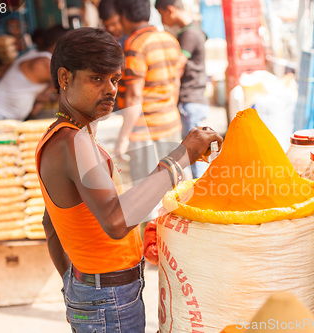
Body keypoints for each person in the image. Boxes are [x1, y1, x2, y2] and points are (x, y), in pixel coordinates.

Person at [36, 27, 222, 332]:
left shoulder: (59, 138)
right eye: (96, 78)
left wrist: (74, 281)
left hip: (95, 292)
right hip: (108, 299)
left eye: (114, 80)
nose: (110, 89)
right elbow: (116, 221)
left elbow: (50, 221)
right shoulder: (74, 143)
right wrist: (182, 156)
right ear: (64, 78)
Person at [114, 0, 183, 189]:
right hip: (171, 124)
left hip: (146, 131)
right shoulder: (169, 39)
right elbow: (176, 83)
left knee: (147, 195)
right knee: (172, 189)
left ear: (124, 17)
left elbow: (134, 94)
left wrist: (123, 138)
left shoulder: (136, 45)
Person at [155, 0, 210, 178]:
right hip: (194, 99)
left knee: (195, 156)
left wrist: (169, 96)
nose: (163, 21)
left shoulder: (189, 34)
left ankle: (201, 199)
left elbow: (178, 67)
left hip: (190, 99)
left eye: (162, 15)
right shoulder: (193, 30)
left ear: (169, 10)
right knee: (195, 155)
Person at [0, 25, 67, 125]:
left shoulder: (35, 54)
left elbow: (40, 95)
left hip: (4, 116)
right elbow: (69, 89)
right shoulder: (44, 63)